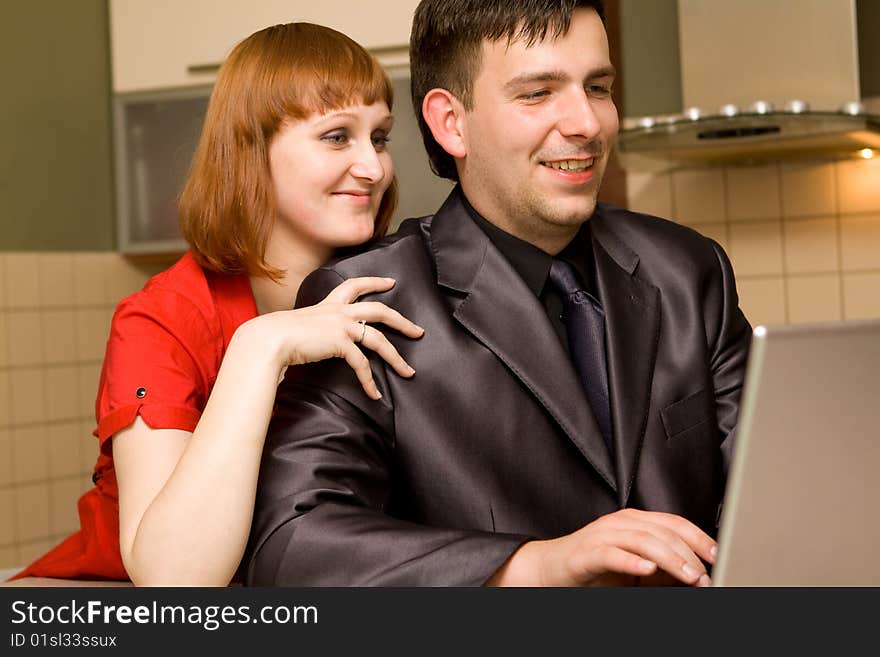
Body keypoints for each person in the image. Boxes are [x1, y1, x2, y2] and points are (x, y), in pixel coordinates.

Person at [244, 0, 752, 587]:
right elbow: (292, 543)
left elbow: (771, 478)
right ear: (450, 123)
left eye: (598, 87)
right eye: (538, 93)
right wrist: (534, 565)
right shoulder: (366, 299)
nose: (586, 123)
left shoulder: (690, 269)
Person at [9, 22, 423, 586]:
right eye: (336, 136)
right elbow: (176, 580)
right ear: (252, 152)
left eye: (379, 137)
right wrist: (262, 346)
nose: (373, 168)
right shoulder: (161, 320)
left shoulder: (395, 289)